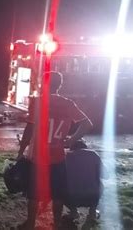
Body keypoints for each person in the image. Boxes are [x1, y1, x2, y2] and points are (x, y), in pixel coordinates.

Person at [16, 71, 93, 229]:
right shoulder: (68, 104)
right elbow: (87, 123)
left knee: (33, 193)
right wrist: (71, 139)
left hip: (38, 157)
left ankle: (30, 223)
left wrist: (21, 151)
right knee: (58, 194)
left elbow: (29, 130)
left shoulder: (38, 102)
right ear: (59, 85)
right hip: (58, 157)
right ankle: (56, 224)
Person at [64, 139, 103, 225]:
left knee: (60, 184)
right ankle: (92, 212)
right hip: (92, 196)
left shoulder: (67, 156)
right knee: (100, 183)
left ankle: (74, 212)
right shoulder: (93, 154)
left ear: (72, 147)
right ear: (85, 146)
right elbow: (106, 176)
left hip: (73, 198)